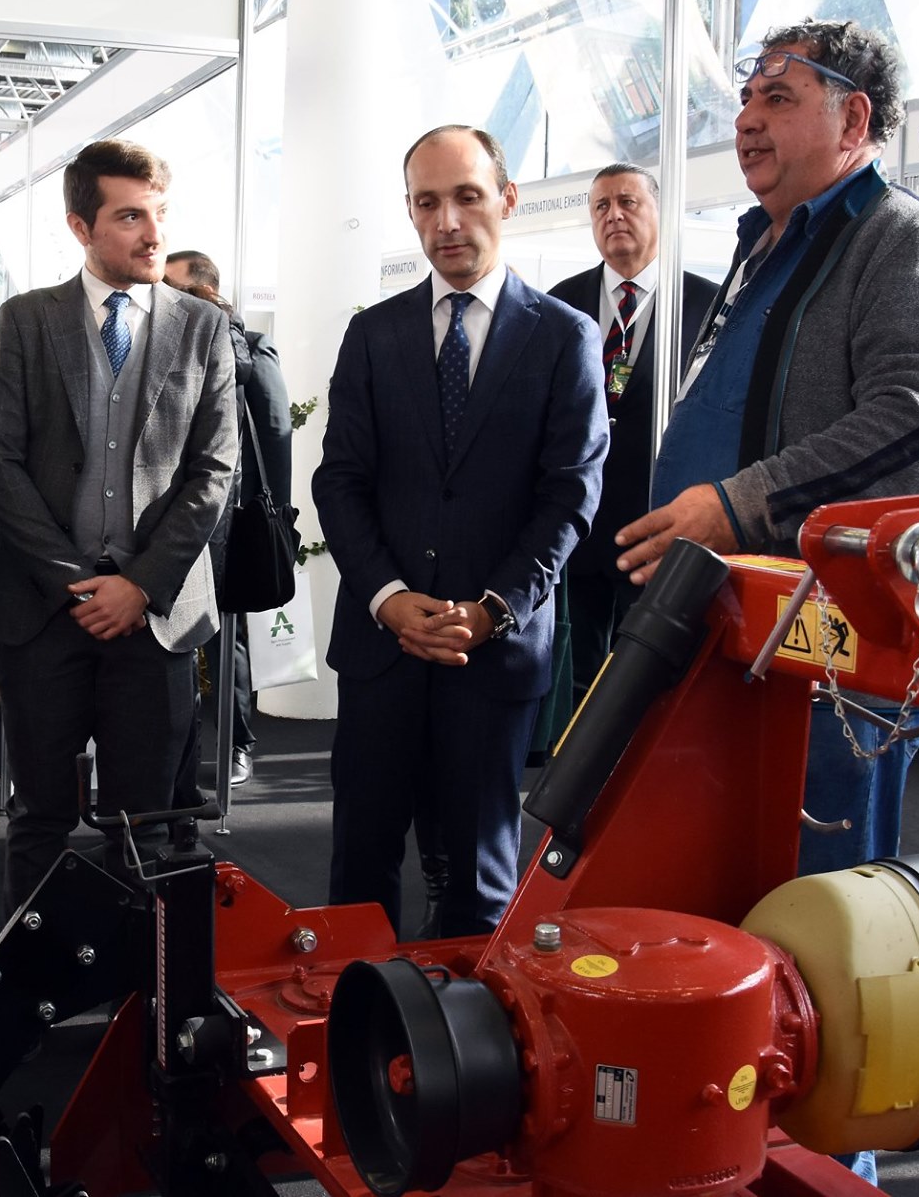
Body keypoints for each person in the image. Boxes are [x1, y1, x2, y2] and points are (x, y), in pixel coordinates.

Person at [612, 21, 919, 1187]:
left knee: (826, 926)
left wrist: (739, 501)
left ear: (853, 119)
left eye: (777, 97)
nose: (745, 119)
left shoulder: (899, 235)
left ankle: (833, 1159)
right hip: (729, 639)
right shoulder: (764, 243)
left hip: (827, 652)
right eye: (745, 97)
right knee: (720, 899)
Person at [313, 125, 607, 938]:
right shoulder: (373, 334)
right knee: (360, 865)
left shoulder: (564, 336)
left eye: (467, 196)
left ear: (507, 199)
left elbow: (570, 495)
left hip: (494, 651)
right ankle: (356, 1011)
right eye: (427, 202)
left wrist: (493, 608)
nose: (447, 221)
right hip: (381, 647)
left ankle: (464, 1021)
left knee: (479, 880)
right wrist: (388, 596)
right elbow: (340, 480)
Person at [0, 139, 237, 909]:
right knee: (39, 818)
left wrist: (139, 586)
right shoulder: (28, 320)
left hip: (155, 621)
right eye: (129, 217)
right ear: (80, 226)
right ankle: (30, 971)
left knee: (145, 826)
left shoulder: (203, 327)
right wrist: (76, 583)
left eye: (159, 214)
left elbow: (214, 472)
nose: (153, 234)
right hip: (43, 615)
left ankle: (137, 978)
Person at [548, 164, 720, 698]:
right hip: (576, 524)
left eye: (628, 202)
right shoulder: (558, 304)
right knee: (573, 674)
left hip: (660, 521)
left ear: (660, 212)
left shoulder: (709, 306)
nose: (614, 215)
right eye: (601, 206)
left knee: (646, 677)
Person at [164, 249, 293, 786]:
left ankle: (235, 743)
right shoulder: (167, 344)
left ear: (206, 289)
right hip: (173, 518)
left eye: (174, 286)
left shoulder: (252, 348)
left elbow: (275, 434)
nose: (164, 295)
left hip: (232, 519)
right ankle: (184, 747)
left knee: (225, 635)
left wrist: (277, 518)